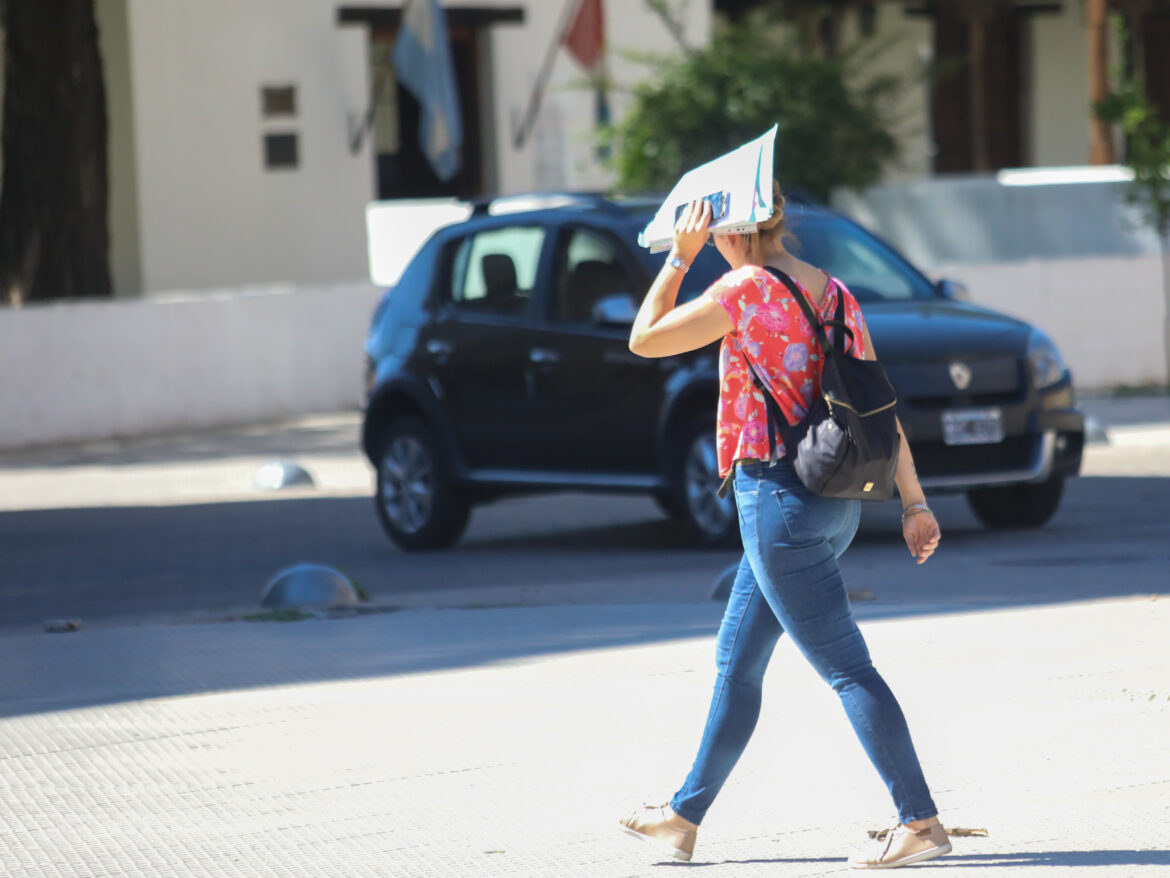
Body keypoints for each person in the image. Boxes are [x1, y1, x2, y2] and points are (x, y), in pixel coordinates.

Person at [619, 182, 949, 870]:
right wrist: (914, 502)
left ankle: (918, 820)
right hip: (836, 504)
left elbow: (644, 339)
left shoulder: (741, 292)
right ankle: (683, 817)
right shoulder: (836, 293)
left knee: (848, 671)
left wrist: (678, 261)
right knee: (737, 667)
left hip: (778, 504)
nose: (709, 240)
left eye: (712, 232)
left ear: (732, 233)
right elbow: (875, 407)